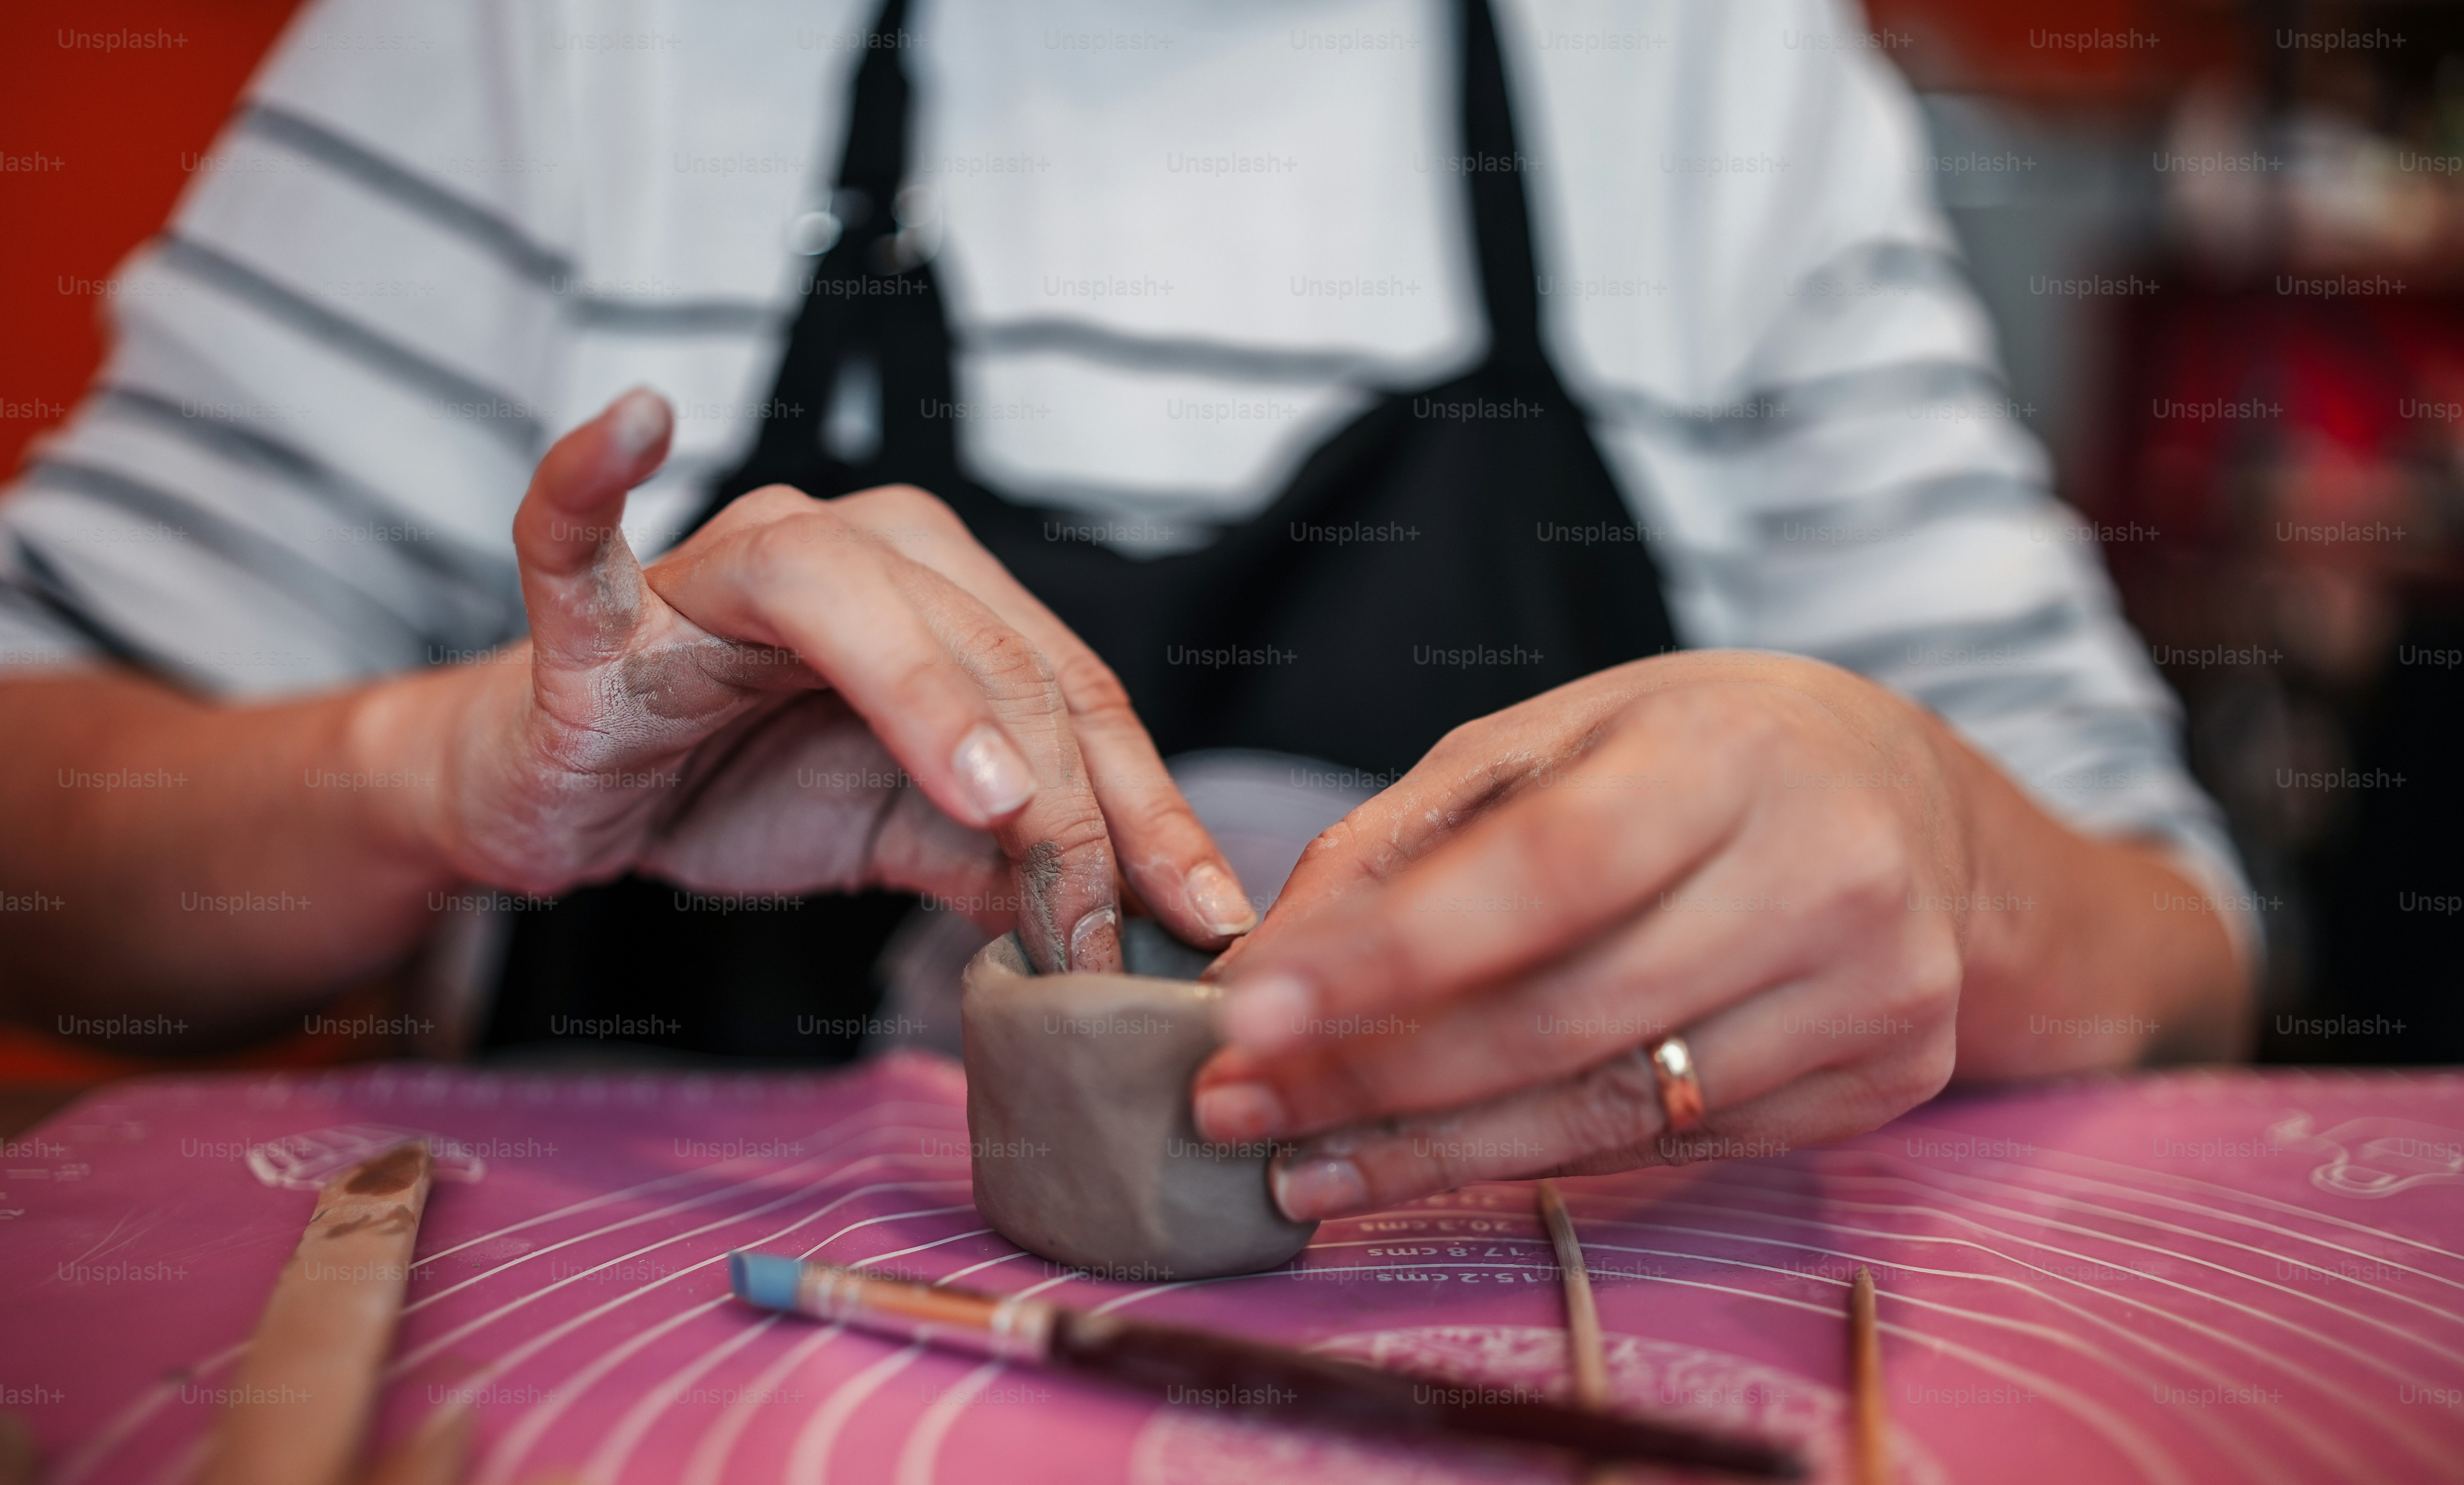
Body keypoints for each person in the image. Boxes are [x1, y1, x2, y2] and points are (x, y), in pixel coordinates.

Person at [0, 0, 2252, 1222]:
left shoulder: (1716, 68)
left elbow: (2182, 953)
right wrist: (443, 775)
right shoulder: (527, 41)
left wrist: (1937, 843)